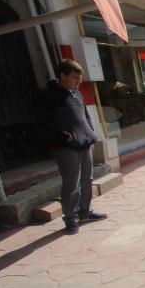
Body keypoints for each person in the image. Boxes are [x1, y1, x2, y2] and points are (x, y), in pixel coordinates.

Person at [39, 59, 107, 234]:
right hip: (65, 147)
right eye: (75, 77)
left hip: (84, 144)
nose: (79, 82)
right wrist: (67, 137)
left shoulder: (77, 94)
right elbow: (45, 123)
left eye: (80, 78)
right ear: (63, 76)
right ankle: (70, 218)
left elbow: (86, 116)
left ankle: (86, 211)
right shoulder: (49, 96)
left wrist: (90, 131)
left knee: (87, 179)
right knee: (71, 183)